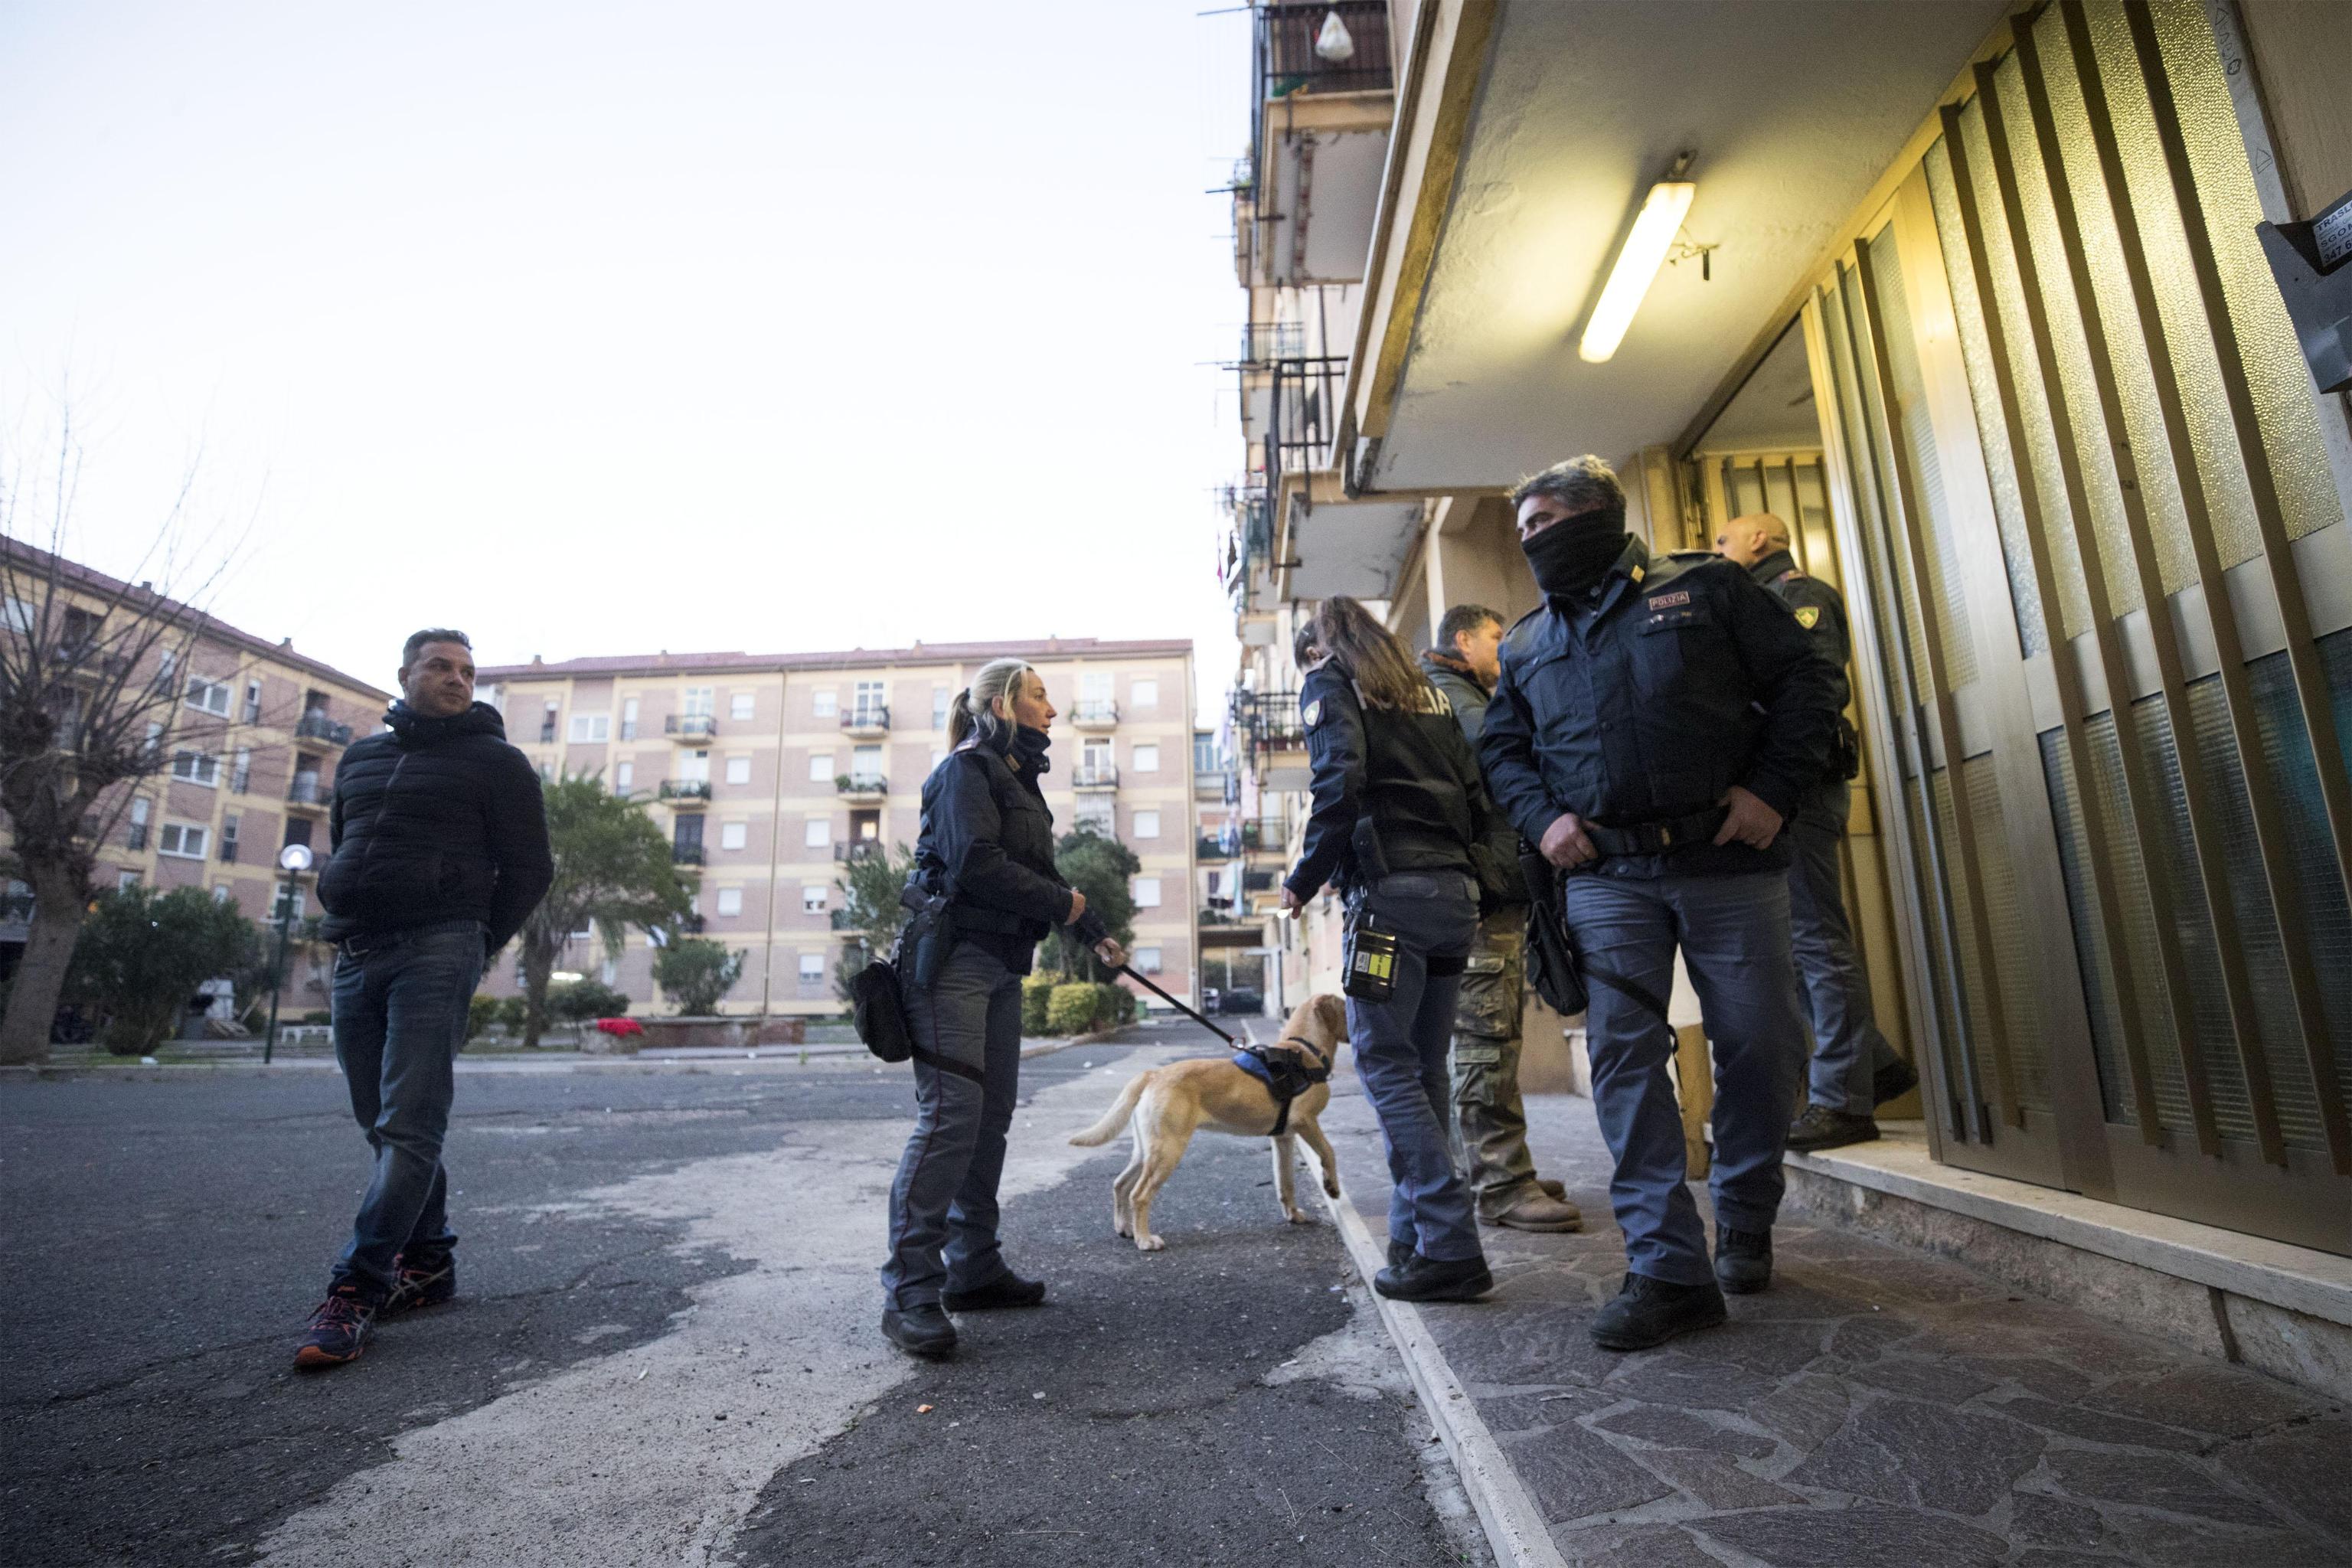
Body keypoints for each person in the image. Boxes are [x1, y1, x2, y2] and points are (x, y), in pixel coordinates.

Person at [1481, 458, 1841, 1351]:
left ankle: (1748, 1212)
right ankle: (1668, 1264)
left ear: (1599, 513)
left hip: (1730, 861)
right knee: (1624, 1062)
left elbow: (1808, 686)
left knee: (1762, 1043)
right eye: (1522, 528)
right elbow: (1504, 754)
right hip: (1608, 881)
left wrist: (1771, 789)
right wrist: (1543, 818)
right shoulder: (1526, 645)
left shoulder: (1709, 587)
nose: (1533, 537)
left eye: (1547, 518)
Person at [295, 629, 554, 1369]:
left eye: (468, 671)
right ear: (405, 673)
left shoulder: (498, 763)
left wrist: (473, 941)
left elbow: (531, 868)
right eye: (440, 666)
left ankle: (357, 1286)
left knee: (410, 1124)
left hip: (439, 945)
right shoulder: (361, 757)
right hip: (357, 949)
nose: (456, 679)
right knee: (378, 1123)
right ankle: (429, 1259)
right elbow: (347, 841)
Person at [880, 658, 1122, 1358]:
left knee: (990, 1119)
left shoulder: (1015, 779)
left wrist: (1092, 928)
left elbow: (1040, 876)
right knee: (950, 1121)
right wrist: (1063, 904)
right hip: (950, 965)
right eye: (1041, 696)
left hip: (1001, 968)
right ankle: (910, 1293)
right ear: (1003, 702)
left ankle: (974, 1269)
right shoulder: (965, 770)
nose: (1054, 709)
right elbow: (974, 865)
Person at [1280, 596, 1518, 1303]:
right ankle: (1413, 1243)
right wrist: (1478, 876)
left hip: (1389, 901)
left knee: (1385, 1065)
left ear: (1320, 650)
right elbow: (1481, 794)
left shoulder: (1332, 681)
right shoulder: (1429, 694)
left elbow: (1340, 782)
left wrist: (1305, 877)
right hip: (1453, 899)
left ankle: (1449, 1240)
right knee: (1423, 1068)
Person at [1713, 512, 1918, 1152]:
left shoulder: (1798, 597)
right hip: (1778, 795)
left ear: (1759, 540)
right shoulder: (1756, 601)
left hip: (1795, 791)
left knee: (1816, 940)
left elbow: (1814, 690)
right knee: (1796, 943)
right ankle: (1872, 1066)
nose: (1717, 552)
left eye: (1724, 540)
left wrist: (1771, 781)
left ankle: (1843, 1100)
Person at [1419, 604, 1580, 1233]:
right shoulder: (1457, 700)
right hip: (1480, 898)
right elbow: (1502, 768)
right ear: (1463, 640)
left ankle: (1495, 1171)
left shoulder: (1454, 693)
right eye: (1494, 636)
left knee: (1486, 1041)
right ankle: (1501, 1185)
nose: (1503, 644)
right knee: (1486, 1043)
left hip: (1481, 891)